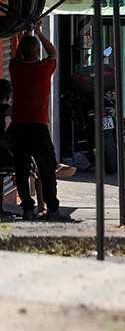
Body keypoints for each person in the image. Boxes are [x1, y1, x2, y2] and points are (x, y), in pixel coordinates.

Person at [7, 24, 69, 221]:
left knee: (21, 169)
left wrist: (26, 35)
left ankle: (27, 208)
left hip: (18, 127)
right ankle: (52, 209)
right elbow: (53, 53)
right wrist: (39, 33)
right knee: (47, 169)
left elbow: (17, 56)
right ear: (36, 52)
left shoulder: (15, 68)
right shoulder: (44, 68)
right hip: (38, 127)